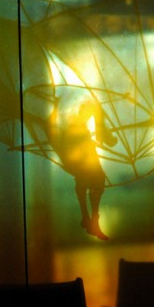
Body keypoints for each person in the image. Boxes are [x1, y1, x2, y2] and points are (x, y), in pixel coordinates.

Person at [50, 99, 117, 240]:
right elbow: (55, 128)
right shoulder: (72, 119)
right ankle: (89, 219)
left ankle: (91, 219)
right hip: (75, 149)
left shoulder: (81, 117)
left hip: (80, 147)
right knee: (87, 179)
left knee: (97, 180)